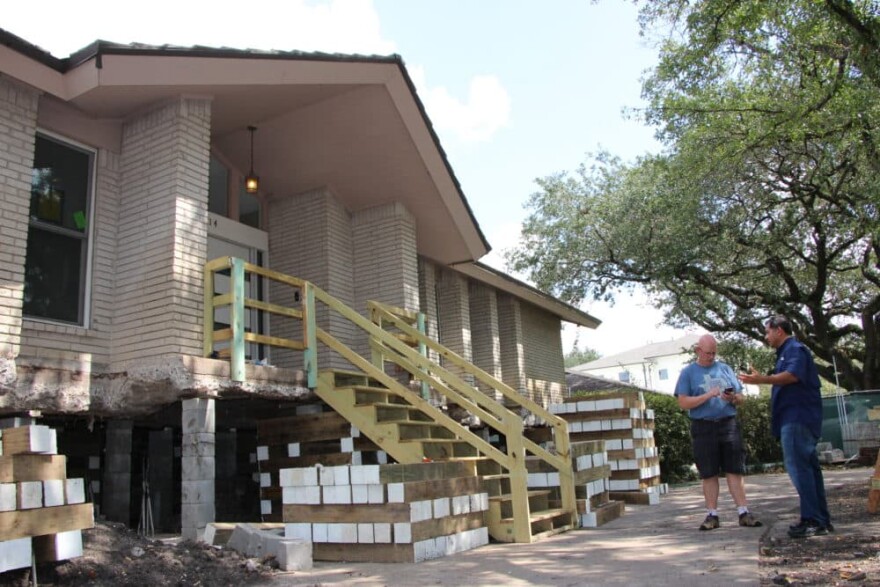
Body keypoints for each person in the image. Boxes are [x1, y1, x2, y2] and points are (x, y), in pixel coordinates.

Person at [739, 315, 831, 538]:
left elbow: (792, 376)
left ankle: (812, 520)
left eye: (767, 331)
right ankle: (820, 520)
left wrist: (761, 380)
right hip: (795, 418)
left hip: (798, 418)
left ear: (779, 330)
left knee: (800, 470)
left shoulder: (794, 349)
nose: (766, 336)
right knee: (809, 470)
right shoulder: (785, 352)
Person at [674, 334, 762, 530]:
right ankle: (712, 515)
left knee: (734, 469)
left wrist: (732, 398)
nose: (711, 357)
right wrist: (707, 395)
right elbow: (683, 402)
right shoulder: (688, 373)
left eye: (714, 353)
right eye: (707, 353)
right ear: (698, 351)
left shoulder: (724, 368)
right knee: (709, 472)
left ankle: (743, 512)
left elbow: (740, 397)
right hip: (703, 426)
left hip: (728, 424)